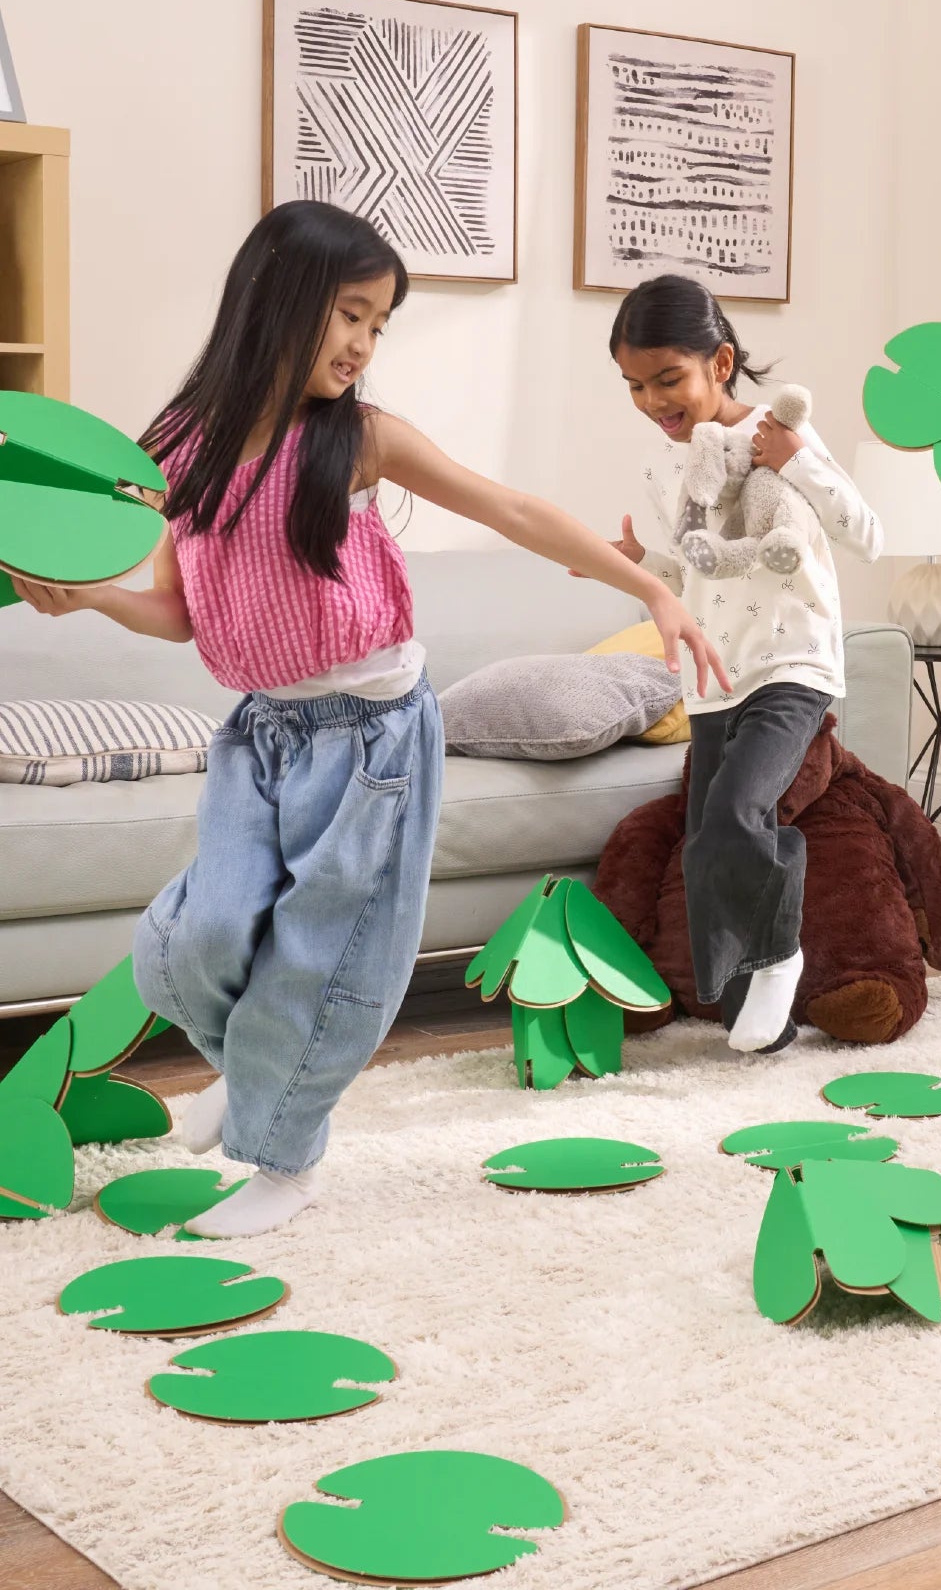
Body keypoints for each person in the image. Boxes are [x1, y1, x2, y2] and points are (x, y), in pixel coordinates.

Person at [12, 203, 727, 1238]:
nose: (362, 345)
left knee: (321, 957)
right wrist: (95, 599)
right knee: (195, 942)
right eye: (350, 314)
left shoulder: (359, 440)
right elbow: (181, 612)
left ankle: (285, 1163)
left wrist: (653, 591)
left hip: (374, 740)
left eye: (379, 324)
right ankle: (258, 1082)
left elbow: (512, 510)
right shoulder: (179, 444)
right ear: (277, 300)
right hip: (259, 737)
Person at [606, 273, 882, 1055]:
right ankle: (757, 1015)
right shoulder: (668, 467)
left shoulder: (780, 432)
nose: (654, 401)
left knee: (735, 814)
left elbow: (867, 533)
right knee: (704, 850)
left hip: (793, 662)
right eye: (634, 385)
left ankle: (780, 953)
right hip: (713, 676)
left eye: (668, 379)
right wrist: (636, 563)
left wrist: (796, 462)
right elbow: (702, 568)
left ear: (719, 362)